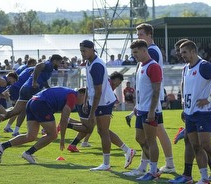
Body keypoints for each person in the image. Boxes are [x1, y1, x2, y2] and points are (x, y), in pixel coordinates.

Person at [124, 23, 175, 176]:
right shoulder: (143, 57)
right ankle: (158, 165)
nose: (138, 37)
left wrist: (151, 106)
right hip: (145, 103)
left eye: (141, 34)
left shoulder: (151, 51)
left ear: (149, 35)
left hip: (152, 102)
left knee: (154, 136)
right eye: (137, 35)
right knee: (149, 136)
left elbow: (155, 81)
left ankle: (151, 167)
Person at [179, 40, 211, 183]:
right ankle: (204, 178)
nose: (182, 55)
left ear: (193, 52)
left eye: (185, 52)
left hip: (203, 113)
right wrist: (184, 107)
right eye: (181, 53)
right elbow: (185, 89)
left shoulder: (204, 66)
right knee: (195, 146)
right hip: (190, 113)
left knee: (206, 144)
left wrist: (209, 99)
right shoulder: (185, 68)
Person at [0, 87, 86, 164]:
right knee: (53, 135)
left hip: (32, 102)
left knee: (31, 136)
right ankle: (28, 153)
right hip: (41, 104)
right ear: (81, 94)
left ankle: (2, 146)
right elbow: (64, 119)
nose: (85, 102)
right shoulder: (72, 96)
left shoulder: (68, 92)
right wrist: (62, 140)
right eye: (86, 98)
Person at [66, 72, 136, 169]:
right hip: (97, 105)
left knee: (99, 130)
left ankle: (114, 158)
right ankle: (125, 152)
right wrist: (87, 102)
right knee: (100, 130)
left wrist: (91, 105)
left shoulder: (105, 81)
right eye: (119, 82)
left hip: (99, 106)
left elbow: (96, 92)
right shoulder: (105, 80)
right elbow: (90, 89)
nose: (118, 84)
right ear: (115, 79)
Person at [78, 40, 126, 171]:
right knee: (103, 130)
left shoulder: (97, 65)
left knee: (102, 131)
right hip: (99, 101)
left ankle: (106, 164)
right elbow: (89, 84)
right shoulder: (89, 63)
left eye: (84, 51)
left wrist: (92, 112)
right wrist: (85, 100)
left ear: (92, 49)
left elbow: (98, 91)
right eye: (81, 51)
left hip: (103, 101)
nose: (82, 53)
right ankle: (127, 150)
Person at [0, 54, 62, 137]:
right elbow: (38, 66)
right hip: (30, 89)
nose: (60, 64)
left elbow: (43, 78)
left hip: (26, 88)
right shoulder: (49, 65)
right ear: (55, 61)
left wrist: (48, 88)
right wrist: (34, 82)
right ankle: (45, 130)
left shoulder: (49, 67)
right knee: (42, 108)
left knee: (16, 111)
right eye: (59, 62)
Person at [123, 39, 162, 181]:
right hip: (141, 109)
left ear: (144, 50)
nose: (134, 55)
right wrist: (137, 106)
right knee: (139, 138)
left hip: (149, 110)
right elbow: (142, 89)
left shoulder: (154, 66)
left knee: (151, 141)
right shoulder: (140, 65)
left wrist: (152, 110)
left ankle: (153, 171)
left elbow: (156, 90)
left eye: (136, 52)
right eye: (133, 53)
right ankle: (146, 167)